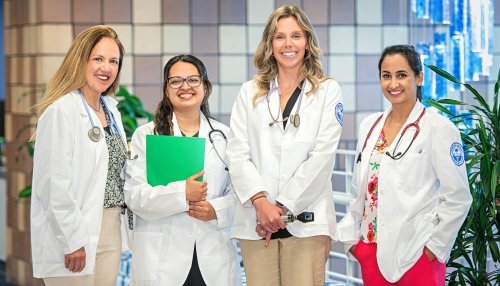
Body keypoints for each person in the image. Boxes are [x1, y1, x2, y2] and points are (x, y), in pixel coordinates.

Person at [226, 5, 343, 286]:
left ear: (307, 41)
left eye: (296, 36)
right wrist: (261, 203)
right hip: (257, 220)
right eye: (279, 37)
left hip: (306, 221)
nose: (288, 44)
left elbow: (322, 157)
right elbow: (237, 152)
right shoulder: (249, 92)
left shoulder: (327, 91)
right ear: (269, 43)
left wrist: (280, 209)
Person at [337, 45, 473, 286]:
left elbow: (458, 198)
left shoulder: (439, 129)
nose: (393, 84)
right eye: (386, 76)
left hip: (416, 253)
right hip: (371, 251)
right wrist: (355, 245)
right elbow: (360, 187)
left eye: (402, 75)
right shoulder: (369, 125)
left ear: (418, 78)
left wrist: (433, 249)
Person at [124, 54, 240, 286]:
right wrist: (181, 194)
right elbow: (134, 196)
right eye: (175, 81)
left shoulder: (225, 136)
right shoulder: (146, 136)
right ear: (166, 89)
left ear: (205, 87)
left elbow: (240, 194)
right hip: (162, 260)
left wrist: (215, 210)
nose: (185, 87)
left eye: (193, 80)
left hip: (212, 256)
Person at [31, 25, 131, 286]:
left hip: (109, 228)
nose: (106, 68)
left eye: (113, 61)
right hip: (74, 232)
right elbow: (54, 184)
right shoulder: (61, 111)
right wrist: (72, 240)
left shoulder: (110, 109)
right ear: (81, 60)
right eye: (98, 59)